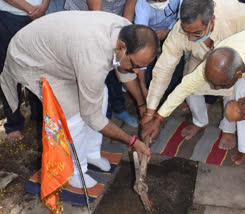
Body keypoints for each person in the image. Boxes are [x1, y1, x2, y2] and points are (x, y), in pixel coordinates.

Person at [0, 12, 157, 188]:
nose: (137, 71)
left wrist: (143, 108)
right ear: (121, 47)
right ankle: (76, 171)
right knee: (72, 115)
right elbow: (92, 116)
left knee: (102, 93)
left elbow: (125, 73)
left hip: (61, 52)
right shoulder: (93, 57)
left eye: (141, 67)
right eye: (135, 65)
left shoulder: (127, 32)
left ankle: (91, 153)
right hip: (33, 59)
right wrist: (132, 141)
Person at [142, 16, 245, 166]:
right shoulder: (219, 56)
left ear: (238, 74)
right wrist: (158, 118)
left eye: (220, 85)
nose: (215, 89)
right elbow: (186, 85)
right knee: (241, 95)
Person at [141, 0, 245, 150]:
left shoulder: (238, 14)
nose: (190, 39)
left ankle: (229, 129)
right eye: (187, 33)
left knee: (235, 90)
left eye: (197, 33)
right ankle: (199, 121)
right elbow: (163, 70)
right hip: (198, 62)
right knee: (188, 86)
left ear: (212, 20)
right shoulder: (179, 32)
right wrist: (150, 112)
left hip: (236, 61)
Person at [65, 0, 140, 128]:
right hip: (83, 20)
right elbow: (97, 18)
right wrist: (110, 43)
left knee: (116, 64)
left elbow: (130, 5)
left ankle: (119, 108)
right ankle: (102, 115)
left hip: (113, 18)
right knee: (97, 70)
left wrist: (124, 35)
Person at [0, 0, 50, 141]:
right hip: (9, 16)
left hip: (39, 16)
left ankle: (40, 115)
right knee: (8, 71)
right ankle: (14, 124)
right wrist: (30, 9)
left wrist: (44, 5)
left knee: (39, 69)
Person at [134, 0, 184, 102]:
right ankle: (150, 94)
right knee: (148, 66)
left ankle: (172, 96)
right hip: (150, 33)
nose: (157, 2)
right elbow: (141, 45)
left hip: (175, 29)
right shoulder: (142, 5)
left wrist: (169, 32)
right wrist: (142, 86)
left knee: (176, 62)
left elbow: (184, 21)